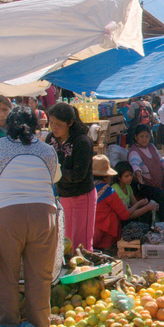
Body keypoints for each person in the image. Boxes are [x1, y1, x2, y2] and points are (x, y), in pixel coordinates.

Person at [0, 108, 61, 327]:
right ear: (36, 125)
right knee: (39, 276)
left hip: (5, 215)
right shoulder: (47, 149)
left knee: (5, 274)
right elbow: (55, 177)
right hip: (44, 215)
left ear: (9, 125)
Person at [47, 102, 96, 251]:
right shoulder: (51, 139)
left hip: (82, 195)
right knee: (67, 239)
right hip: (64, 195)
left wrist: (55, 172)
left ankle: (87, 271)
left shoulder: (82, 142)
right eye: (51, 123)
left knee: (81, 241)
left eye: (58, 124)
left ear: (70, 123)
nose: (54, 128)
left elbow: (78, 175)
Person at [92, 155, 158, 252]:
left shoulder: (88, 189)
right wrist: (141, 205)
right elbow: (124, 215)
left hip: (88, 232)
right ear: (106, 176)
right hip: (103, 234)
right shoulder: (109, 191)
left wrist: (140, 204)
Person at [127, 123, 164, 216]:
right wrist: (138, 173)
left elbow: (162, 161)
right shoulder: (134, 151)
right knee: (163, 196)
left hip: (159, 182)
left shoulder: (151, 147)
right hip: (146, 185)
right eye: (141, 136)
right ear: (136, 137)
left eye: (147, 136)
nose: (144, 139)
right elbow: (135, 164)